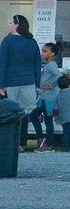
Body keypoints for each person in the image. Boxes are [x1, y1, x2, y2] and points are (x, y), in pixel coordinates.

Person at [0, 14, 42, 151]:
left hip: (11, 82)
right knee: (24, 114)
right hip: (29, 82)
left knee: (10, 114)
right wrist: (37, 84)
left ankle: (10, 143)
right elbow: (37, 64)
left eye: (11, 22)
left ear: (17, 24)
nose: (9, 25)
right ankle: (21, 144)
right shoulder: (32, 42)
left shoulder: (7, 41)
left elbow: (2, 64)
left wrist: (1, 84)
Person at [32, 42, 63, 152]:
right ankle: (43, 140)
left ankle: (48, 144)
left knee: (47, 120)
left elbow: (59, 75)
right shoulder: (47, 65)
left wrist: (50, 85)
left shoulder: (51, 65)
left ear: (53, 53)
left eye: (45, 51)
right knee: (37, 117)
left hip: (49, 98)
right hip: (44, 97)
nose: (43, 53)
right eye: (43, 51)